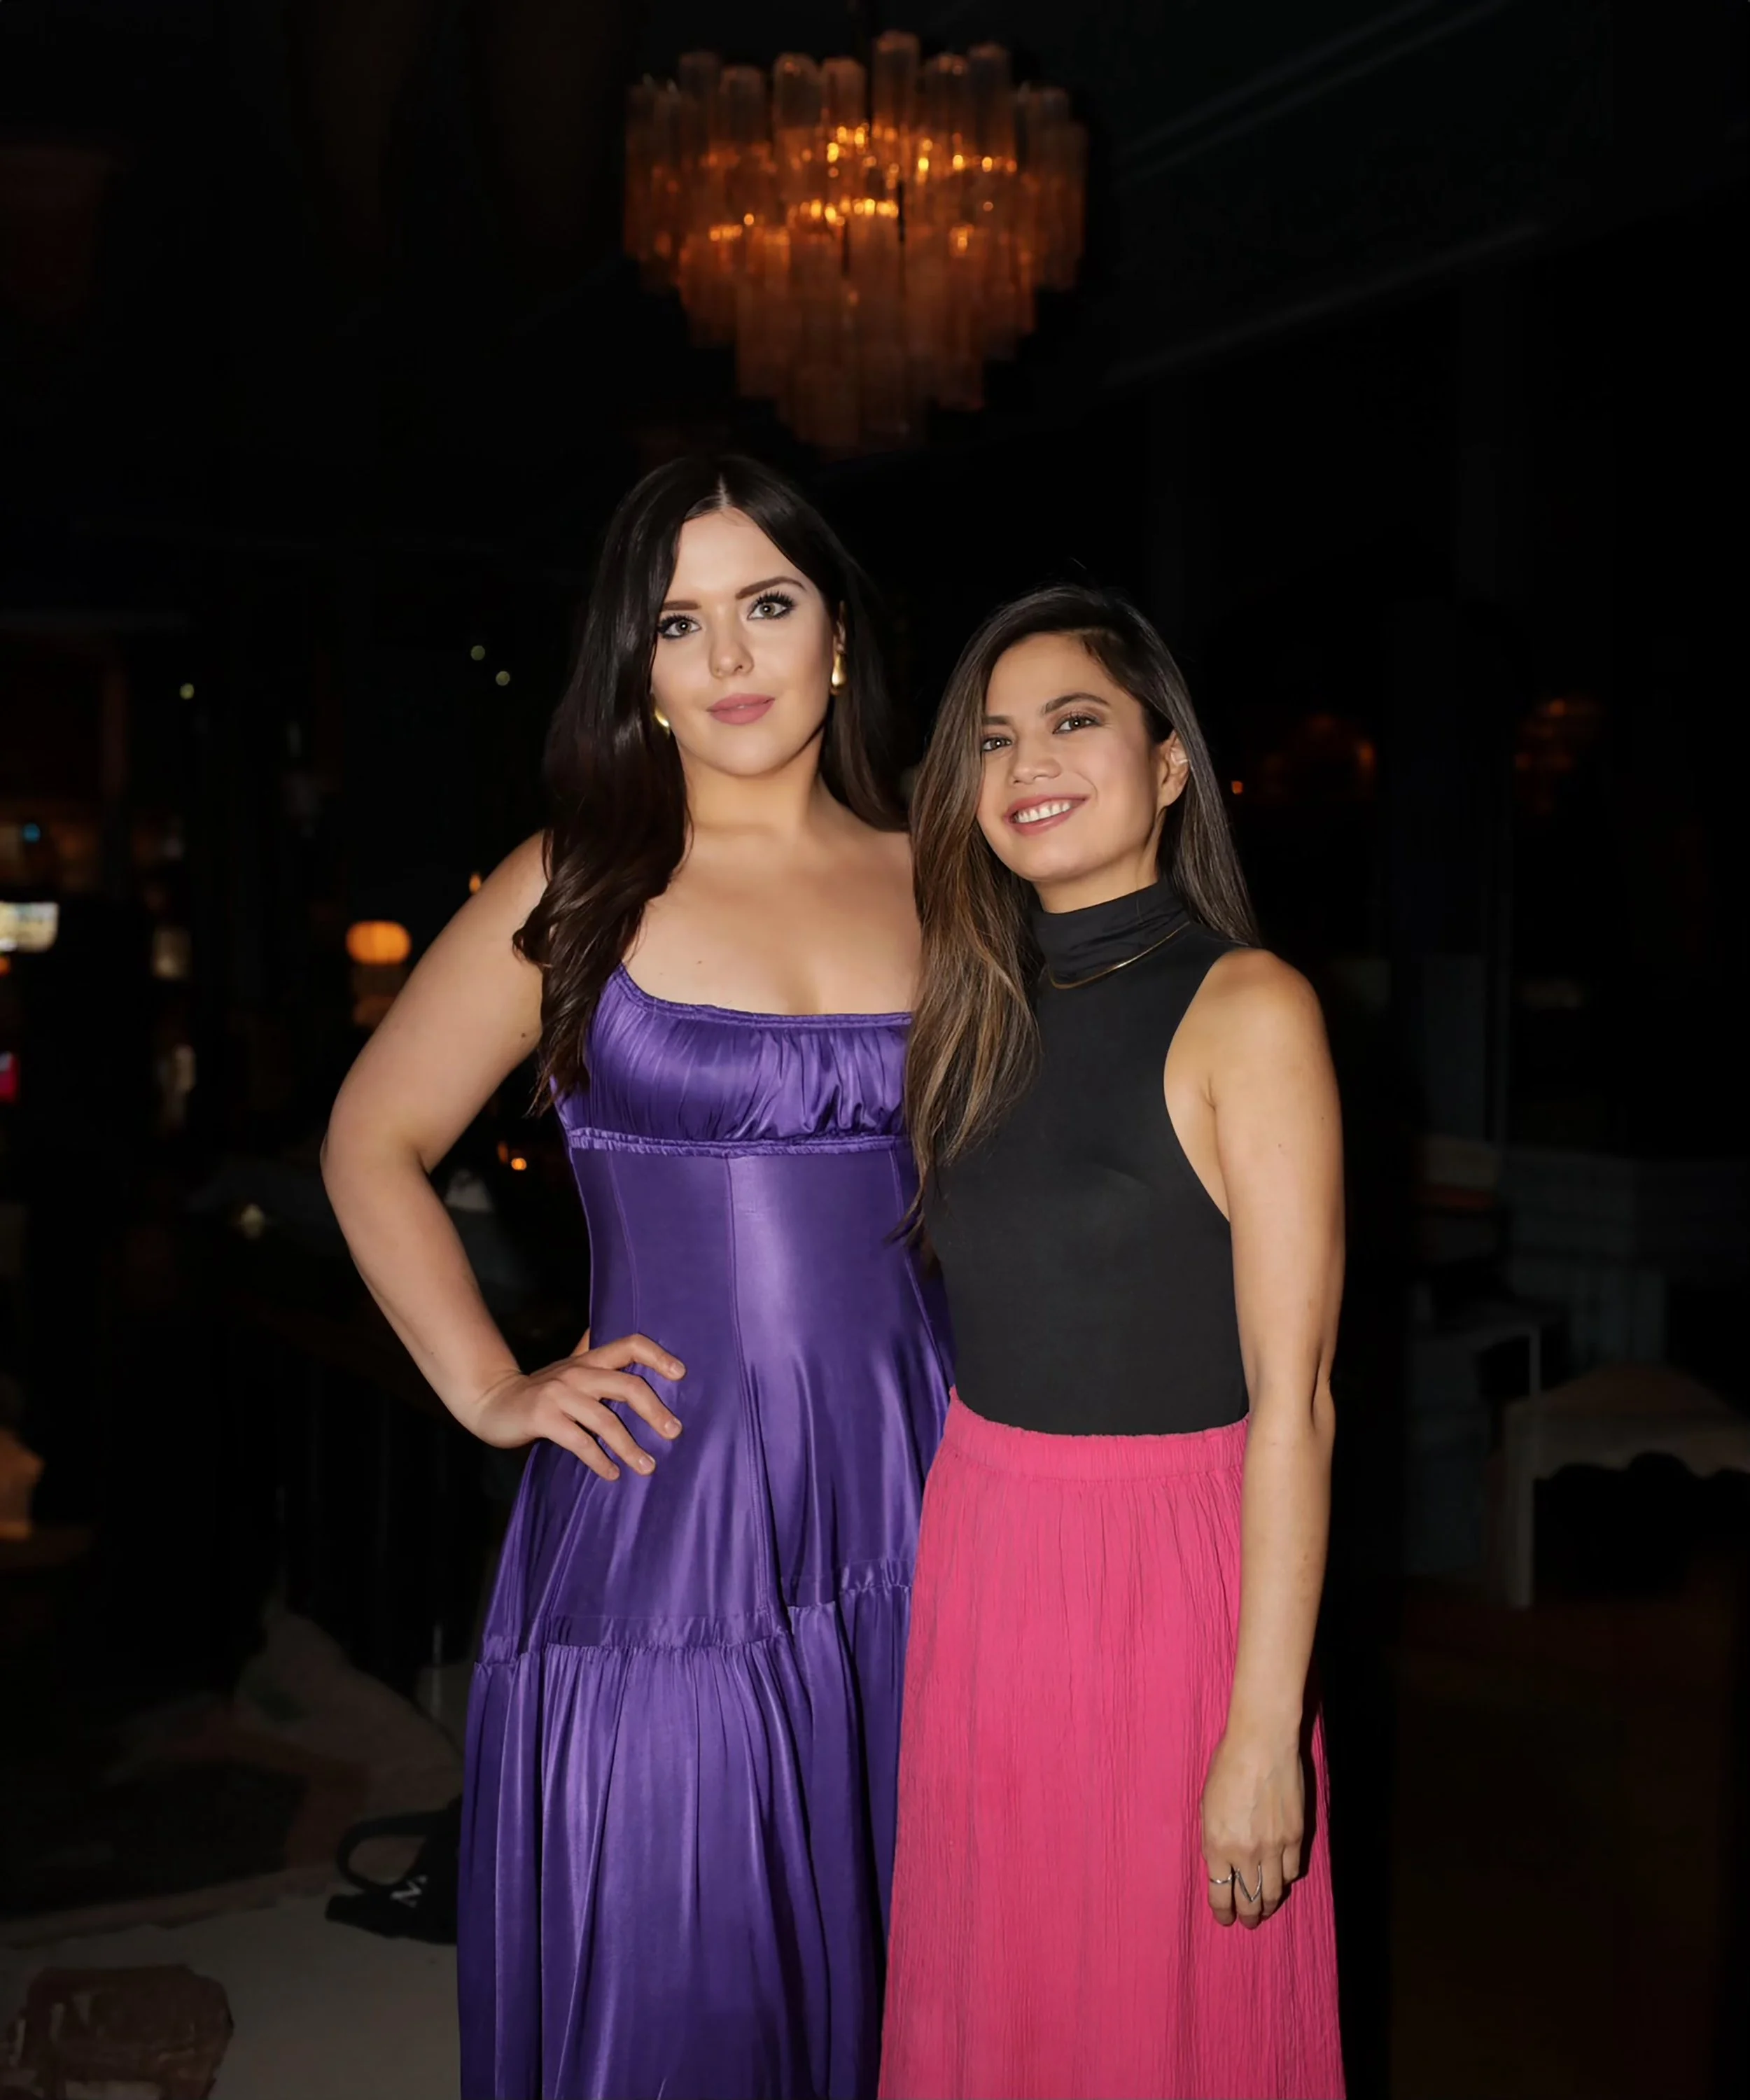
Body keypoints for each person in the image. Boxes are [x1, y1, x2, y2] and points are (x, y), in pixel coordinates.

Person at [321, 455, 951, 2100]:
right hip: (669, 1501)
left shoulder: (943, 877)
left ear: (834, 637)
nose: (731, 660)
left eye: (766, 606)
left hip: (925, 1486)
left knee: (915, 1964)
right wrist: (487, 1383)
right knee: (678, 1972)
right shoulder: (574, 878)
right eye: (681, 624)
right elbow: (371, 1139)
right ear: (636, 668)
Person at [881, 584, 1345, 2100]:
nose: (1028, 759)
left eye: (1073, 719)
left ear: (1165, 767)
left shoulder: (1247, 1005)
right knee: (999, 2001)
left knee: (1161, 2027)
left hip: (1172, 1582)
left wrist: (1263, 1729)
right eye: (994, 737)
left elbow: (1299, 1401)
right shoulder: (967, 1005)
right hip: (985, 1550)